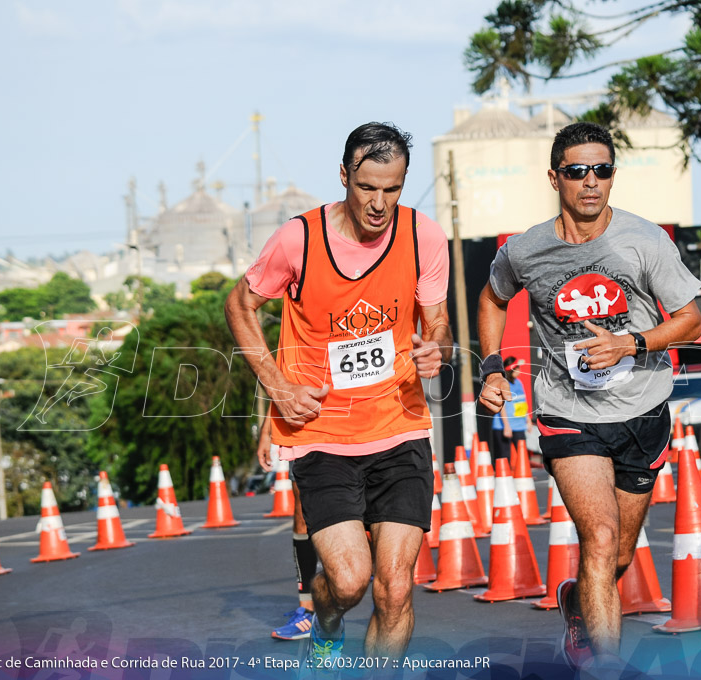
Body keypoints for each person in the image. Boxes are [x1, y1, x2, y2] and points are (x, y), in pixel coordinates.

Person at [477, 122, 701, 671]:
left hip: (642, 408)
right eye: (577, 171)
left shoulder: (644, 239)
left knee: (618, 556)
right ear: (555, 177)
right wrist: (491, 368)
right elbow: (491, 298)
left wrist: (632, 342)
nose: (590, 182)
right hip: (566, 410)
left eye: (601, 170)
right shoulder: (527, 249)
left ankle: (579, 604)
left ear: (612, 176)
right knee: (599, 538)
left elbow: (693, 320)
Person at [225, 122, 451, 663]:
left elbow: (437, 321)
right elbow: (239, 306)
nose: (379, 204)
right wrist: (276, 388)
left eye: (392, 189)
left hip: (399, 425)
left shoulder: (424, 236)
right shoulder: (297, 239)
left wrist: (434, 347)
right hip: (322, 434)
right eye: (367, 187)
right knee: (349, 582)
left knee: (395, 588)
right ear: (344, 176)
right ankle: (326, 624)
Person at [255, 409, 319, 641]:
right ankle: (309, 609)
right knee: (302, 510)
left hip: (356, 425)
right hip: (304, 430)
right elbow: (281, 384)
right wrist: (267, 432)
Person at [489, 356, 532, 463]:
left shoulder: (518, 383)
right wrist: (507, 427)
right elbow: (502, 406)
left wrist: (528, 420)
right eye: (517, 368)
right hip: (503, 426)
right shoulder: (503, 384)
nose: (519, 370)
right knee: (504, 457)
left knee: (523, 455)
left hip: (519, 425)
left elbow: (522, 403)